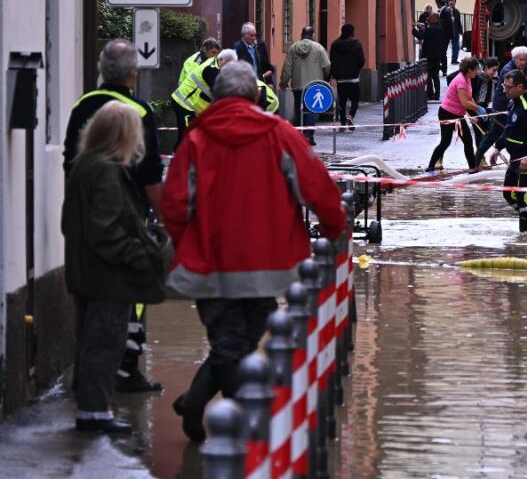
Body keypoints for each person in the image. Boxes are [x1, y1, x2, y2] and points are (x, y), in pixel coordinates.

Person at [163, 62, 346, 443]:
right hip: (268, 263)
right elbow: (315, 186)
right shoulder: (279, 133)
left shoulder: (196, 138)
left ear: (216, 96)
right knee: (239, 342)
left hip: (210, 264)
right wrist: (333, 228)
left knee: (230, 342)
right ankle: (243, 432)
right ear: (256, 96)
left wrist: (187, 245)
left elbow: (176, 204)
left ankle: (198, 405)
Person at [63, 39, 164, 394]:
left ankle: (92, 380)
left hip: (80, 217)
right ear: (133, 73)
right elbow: (151, 174)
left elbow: (69, 164)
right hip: (126, 218)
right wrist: (165, 222)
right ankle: (125, 368)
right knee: (129, 298)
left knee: (88, 306)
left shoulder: (82, 106)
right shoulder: (136, 110)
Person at [489, 69, 527, 232]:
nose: (504, 90)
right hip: (515, 158)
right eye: (504, 86)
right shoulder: (513, 102)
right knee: (509, 194)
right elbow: (510, 129)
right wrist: (498, 147)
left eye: (507, 87)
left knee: (524, 198)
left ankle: (526, 240)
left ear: (519, 87)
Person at [476, 47, 527, 166]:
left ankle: (513, 157)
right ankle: (477, 158)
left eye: (525, 60)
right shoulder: (508, 70)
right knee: (494, 132)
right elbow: (518, 86)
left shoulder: (524, 67)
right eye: (521, 59)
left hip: (514, 104)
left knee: (513, 130)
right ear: (515, 58)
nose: (523, 62)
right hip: (502, 105)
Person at [427, 57, 485, 172]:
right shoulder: (461, 81)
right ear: (469, 70)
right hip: (447, 113)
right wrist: (478, 108)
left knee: (467, 140)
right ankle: (430, 166)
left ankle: (472, 167)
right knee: (445, 142)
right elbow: (464, 102)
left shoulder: (467, 79)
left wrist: (473, 114)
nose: (477, 72)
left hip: (457, 114)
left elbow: (469, 98)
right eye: (475, 70)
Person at [281, 26, 331, 145]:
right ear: (313, 35)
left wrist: (283, 82)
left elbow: (287, 67)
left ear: (301, 35)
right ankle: (309, 135)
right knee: (312, 111)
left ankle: (300, 135)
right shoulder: (318, 48)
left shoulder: (293, 48)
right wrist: (325, 78)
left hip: (298, 85)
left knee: (299, 110)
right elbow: (327, 65)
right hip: (314, 86)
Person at [173, 39, 221, 145]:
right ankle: (178, 156)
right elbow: (193, 85)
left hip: (193, 104)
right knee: (186, 134)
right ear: (204, 49)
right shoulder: (193, 62)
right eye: (213, 52)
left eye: (217, 54)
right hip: (185, 101)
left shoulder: (210, 64)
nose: (215, 56)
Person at [329, 23, 366, 131]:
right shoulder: (357, 44)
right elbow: (361, 60)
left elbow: (332, 60)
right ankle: (351, 116)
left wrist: (334, 73)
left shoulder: (335, 45)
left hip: (340, 79)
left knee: (342, 101)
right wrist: (356, 69)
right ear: (351, 32)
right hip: (353, 77)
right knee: (355, 99)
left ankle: (343, 123)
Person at [413, 11, 448, 100]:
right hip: (436, 56)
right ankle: (437, 94)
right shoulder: (439, 28)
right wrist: (423, 27)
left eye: (431, 17)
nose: (429, 18)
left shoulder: (431, 29)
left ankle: (430, 94)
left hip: (429, 56)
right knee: (435, 76)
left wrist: (413, 30)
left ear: (435, 18)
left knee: (428, 76)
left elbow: (421, 36)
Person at [440, 0, 463, 65]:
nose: (452, 2)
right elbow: (441, 19)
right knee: (444, 47)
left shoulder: (457, 11)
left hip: (455, 31)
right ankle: (442, 60)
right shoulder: (445, 10)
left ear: (455, 2)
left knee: (456, 46)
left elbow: (458, 22)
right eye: (450, 1)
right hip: (446, 32)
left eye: (453, 1)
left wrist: (461, 31)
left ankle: (454, 59)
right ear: (448, 2)